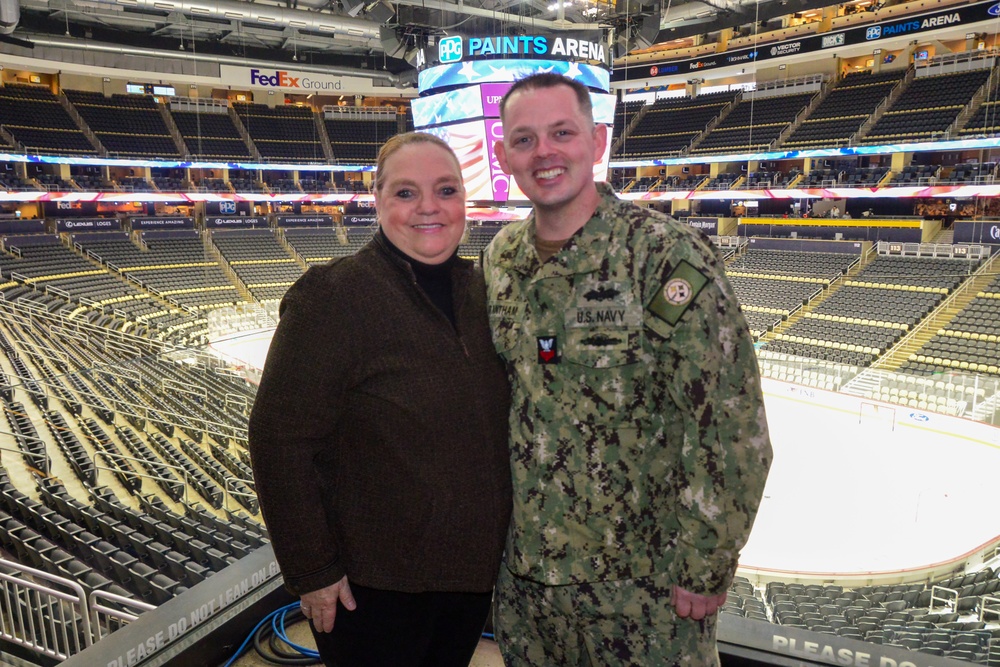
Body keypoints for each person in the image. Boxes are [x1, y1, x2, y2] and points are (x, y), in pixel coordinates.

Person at [483, 72, 773, 666]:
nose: (545, 153)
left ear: (597, 140)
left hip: (644, 594)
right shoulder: (500, 260)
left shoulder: (665, 256)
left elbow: (729, 425)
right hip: (527, 589)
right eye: (525, 139)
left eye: (562, 132)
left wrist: (705, 563)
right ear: (502, 153)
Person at [248, 132, 512, 667]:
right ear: (378, 199)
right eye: (406, 193)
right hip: (373, 589)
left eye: (445, 189)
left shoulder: (486, 291)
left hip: (467, 579)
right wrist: (315, 571)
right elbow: (280, 440)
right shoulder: (333, 296)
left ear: (466, 199)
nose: (429, 208)